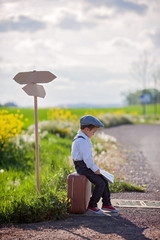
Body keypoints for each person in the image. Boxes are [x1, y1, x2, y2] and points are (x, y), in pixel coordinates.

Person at [71, 115, 118, 214]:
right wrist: (95, 169)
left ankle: (106, 203)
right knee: (100, 183)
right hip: (82, 167)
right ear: (87, 129)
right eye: (94, 132)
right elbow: (87, 159)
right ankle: (92, 205)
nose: (94, 134)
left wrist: (96, 169)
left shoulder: (84, 139)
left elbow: (88, 159)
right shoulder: (81, 141)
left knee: (103, 180)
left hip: (85, 166)